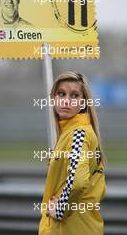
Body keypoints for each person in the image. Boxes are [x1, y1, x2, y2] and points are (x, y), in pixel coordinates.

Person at [38, 71, 107, 235]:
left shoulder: (78, 134)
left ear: (83, 103)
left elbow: (78, 180)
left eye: (74, 95)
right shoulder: (73, 132)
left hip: (71, 227)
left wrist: (61, 208)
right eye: (61, 94)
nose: (66, 101)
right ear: (54, 98)